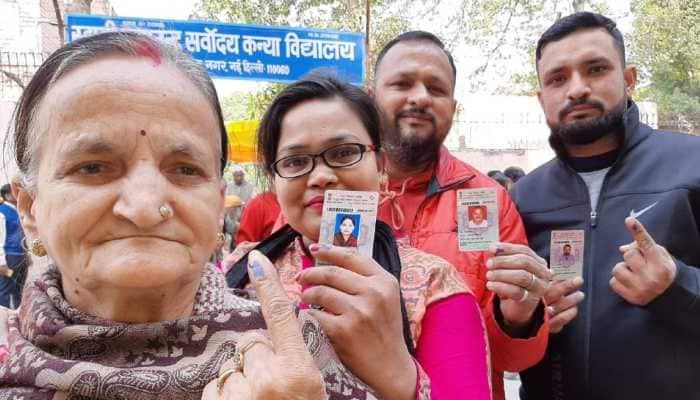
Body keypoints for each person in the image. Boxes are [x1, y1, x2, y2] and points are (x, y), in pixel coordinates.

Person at [0, 31, 379, 400]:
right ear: (29, 207)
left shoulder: (295, 353)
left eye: (185, 169)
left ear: (217, 205)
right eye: (94, 167)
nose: (146, 208)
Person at [226, 75, 491, 399]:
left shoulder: (434, 286)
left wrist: (396, 376)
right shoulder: (238, 271)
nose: (321, 176)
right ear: (274, 181)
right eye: (295, 161)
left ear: (380, 166)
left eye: (343, 153)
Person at [510, 12, 700, 399]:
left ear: (628, 80)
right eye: (557, 78)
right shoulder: (522, 197)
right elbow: (505, 333)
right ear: (541, 96)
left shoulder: (692, 164)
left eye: (595, 69)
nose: (577, 89)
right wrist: (525, 320)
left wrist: (679, 286)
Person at [371, 30, 550, 400]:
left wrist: (517, 318)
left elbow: (509, 359)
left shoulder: (488, 200)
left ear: (452, 108)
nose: (420, 97)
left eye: (436, 89)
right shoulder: (331, 194)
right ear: (370, 99)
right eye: (402, 83)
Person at [0, 184, 27, 309]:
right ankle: (3, 319)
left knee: (19, 287)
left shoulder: (16, 209)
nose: (17, 193)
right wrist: (1, 263)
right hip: (9, 258)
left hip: (20, 255)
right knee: (5, 289)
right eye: (14, 192)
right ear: (7, 195)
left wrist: (27, 254)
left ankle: (19, 313)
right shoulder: (2, 213)